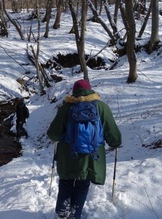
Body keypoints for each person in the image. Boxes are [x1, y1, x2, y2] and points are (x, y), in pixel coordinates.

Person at [47, 79, 122, 219]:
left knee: (66, 182)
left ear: (74, 92)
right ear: (91, 90)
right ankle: (75, 213)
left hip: (68, 155)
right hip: (91, 157)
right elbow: (112, 133)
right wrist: (116, 142)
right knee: (82, 184)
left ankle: (62, 212)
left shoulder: (66, 108)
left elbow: (53, 134)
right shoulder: (101, 108)